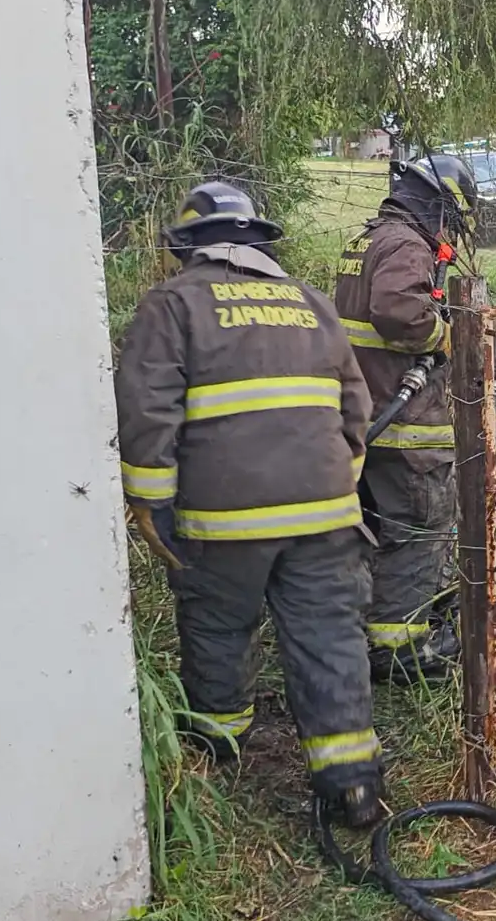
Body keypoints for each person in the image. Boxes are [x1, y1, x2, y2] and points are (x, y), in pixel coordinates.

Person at [115, 181, 385, 827]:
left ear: (190, 248)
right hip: (326, 514)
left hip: (223, 521)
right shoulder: (310, 303)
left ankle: (215, 757)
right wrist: (336, 483)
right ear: (257, 242)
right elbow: (356, 409)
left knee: (217, 629)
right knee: (330, 636)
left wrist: (149, 506)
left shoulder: (173, 305)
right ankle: (352, 783)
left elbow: (147, 412)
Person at [334, 155, 476, 684]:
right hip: (404, 430)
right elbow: (399, 313)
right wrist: (446, 337)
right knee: (416, 532)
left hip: (363, 421)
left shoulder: (366, 241)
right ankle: (400, 651)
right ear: (438, 205)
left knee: (375, 533)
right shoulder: (405, 245)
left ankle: (368, 630)